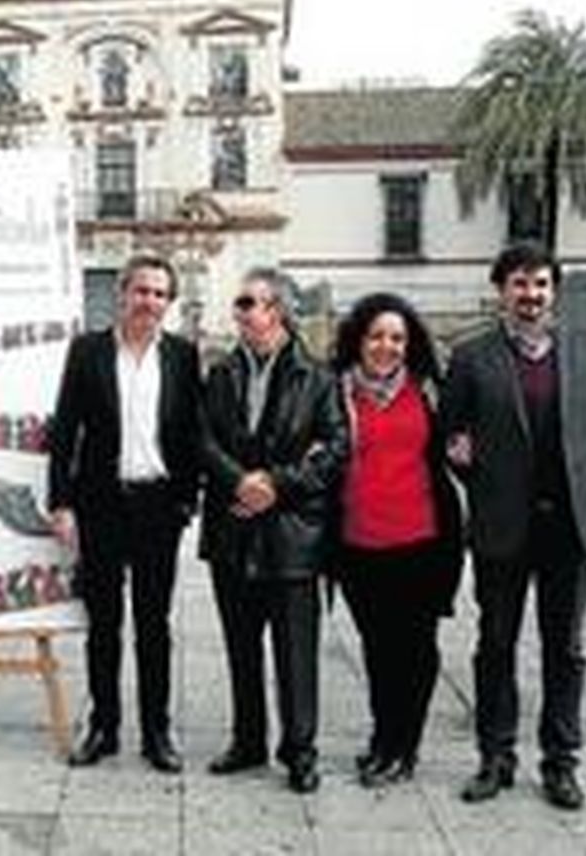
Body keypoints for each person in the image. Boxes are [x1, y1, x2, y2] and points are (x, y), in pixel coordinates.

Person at [443, 243, 586, 811]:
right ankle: (495, 757)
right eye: (520, 284)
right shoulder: (471, 357)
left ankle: (561, 762)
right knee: (495, 644)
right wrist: (477, 473)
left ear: (555, 290)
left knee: (564, 647)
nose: (531, 295)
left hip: (571, 526)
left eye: (541, 284)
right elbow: (453, 439)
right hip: (502, 524)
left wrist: (577, 479)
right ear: (502, 291)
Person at [46, 253, 202, 772]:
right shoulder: (87, 351)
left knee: (154, 624)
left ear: (168, 302)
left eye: (160, 294)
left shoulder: (183, 355)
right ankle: (104, 727)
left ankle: (157, 732)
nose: (150, 302)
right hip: (101, 506)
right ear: (123, 294)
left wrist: (186, 501)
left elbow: (190, 434)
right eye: (142, 291)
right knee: (105, 624)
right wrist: (61, 501)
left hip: (159, 506)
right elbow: (65, 432)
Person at [201, 267, 348, 794]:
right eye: (238, 304)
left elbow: (335, 449)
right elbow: (203, 440)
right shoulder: (221, 373)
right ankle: (247, 741)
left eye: (248, 302)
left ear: (278, 310)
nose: (240, 312)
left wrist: (277, 483)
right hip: (233, 532)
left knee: (295, 652)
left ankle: (300, 750)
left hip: (292, 537)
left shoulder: (319, 377)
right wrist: (241, 481)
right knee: (241, 647)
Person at [328, 293, 464, 788]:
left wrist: (465, 451)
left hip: (423, 542)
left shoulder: (430, 390)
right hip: (358, 543)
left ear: (410, 344)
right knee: (377, 647)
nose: (386, 346)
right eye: (377, 336)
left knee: (416, 648)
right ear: (359, 340)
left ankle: (404, 748)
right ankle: (383, 738)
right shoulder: (336, 391)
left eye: (397, 338)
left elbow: (462, 446)